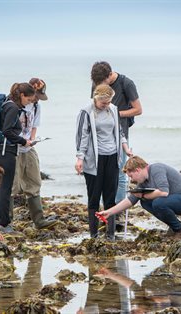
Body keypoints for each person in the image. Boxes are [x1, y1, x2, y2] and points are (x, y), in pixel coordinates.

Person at [75, 84, 132, 240]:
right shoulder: (86, 112)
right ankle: (94, 235)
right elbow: (82, 136)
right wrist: (80, 158)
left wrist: (125, 148)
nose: (106, 105)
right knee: (94, 197)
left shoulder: (113, 109)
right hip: (94, 160)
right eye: (103, 103)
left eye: (108, 102)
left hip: (113, 157)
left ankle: (110, 234)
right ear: (96, 98)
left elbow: (119, 132)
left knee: (110, 197)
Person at [99, 156, 181, 238]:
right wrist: (109, 212)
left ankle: (179, 231)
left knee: (158, 203)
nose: (132, 180)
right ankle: (174, 227)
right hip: (179, 200)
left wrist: (143, 195)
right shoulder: (143, 183)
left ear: (138, 170)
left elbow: (164, 192)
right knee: (145, 203)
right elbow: (130, 201)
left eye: (131, 176)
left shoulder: (157, 169)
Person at [91, 61, 142, 205]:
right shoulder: (97, 84)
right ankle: (105, 208)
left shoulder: (126, 83)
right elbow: (94, 108)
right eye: (97, 83)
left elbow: (138, 110)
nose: (100, 86)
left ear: (109, 74)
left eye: (103, 82)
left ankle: (118, 208)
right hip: (100, 136)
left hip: (120, 135)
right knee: (101, 174)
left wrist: (115, 113)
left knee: (120, 174)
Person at [11, 78, 56, 229]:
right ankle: (6, 222)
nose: (36, 99)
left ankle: (39, 220)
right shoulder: (14, 105)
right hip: (13, 149)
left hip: (28, 148)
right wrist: (21, 141)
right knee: (12, 185)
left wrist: (32, 140)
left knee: (34, 181)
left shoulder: (37, 106)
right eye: (35, 96)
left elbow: (34, 126)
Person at [0, 83, 34, 233]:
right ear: (22, 95)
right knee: (5, 188)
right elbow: (7, 130)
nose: (28, 103)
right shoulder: (13, 108)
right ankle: (4, 224)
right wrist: (24, 141)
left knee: (0, 187)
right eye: (28, 100)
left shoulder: (6, 103)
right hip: (5, 152)